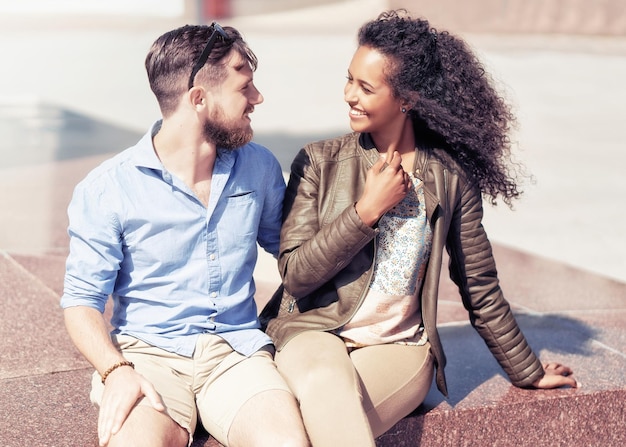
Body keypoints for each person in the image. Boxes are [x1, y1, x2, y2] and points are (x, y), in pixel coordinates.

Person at [260, 10, 578, 447]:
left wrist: (528, 370)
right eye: (349, 78)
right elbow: (295, 275)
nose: (348, 94)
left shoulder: (449, 178)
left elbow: (479, 285)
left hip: (399, 347)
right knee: (325, 390)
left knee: (317, 421)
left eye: (365, 87)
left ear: (407, 97)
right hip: (315, 330)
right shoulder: (318, 161)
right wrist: (365, 211)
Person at [61, 23, 310, 447]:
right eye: (244, 87)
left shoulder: (260, 167)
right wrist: (115, 371)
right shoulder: (107, 189)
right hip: (147, 355)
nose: (257, 98)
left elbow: (296, 256)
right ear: (199, 99)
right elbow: (82, 303)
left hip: (236, 354)